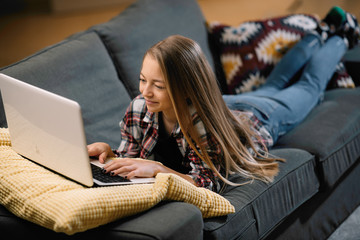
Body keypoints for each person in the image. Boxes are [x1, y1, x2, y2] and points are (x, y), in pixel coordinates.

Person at [88, 7, 359, 192]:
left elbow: (207, 183)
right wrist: (111, 154)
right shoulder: (139, 109)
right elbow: (132, 158)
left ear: (186, 89)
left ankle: (343, 35)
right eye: (143, 80)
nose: (145, 92)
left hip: (257, 117)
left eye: (158, 86)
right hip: (228, 104)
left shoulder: (202, 125)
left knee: (309, 87)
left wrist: (160, 169)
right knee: (274, 83)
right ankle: (320, 31)